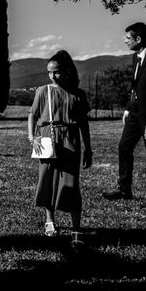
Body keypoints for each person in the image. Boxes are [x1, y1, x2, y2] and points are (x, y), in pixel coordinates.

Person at [28, 50, 92, 248]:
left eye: (56, 72)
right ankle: (50, 220)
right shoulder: (42, 91)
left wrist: (88, 148)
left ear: (66, 71)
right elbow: (32, 114)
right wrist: (32, 137)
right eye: (49, 72)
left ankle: (76, 228)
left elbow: (83, 123)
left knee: (71, 184)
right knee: (47, 179)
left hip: (70, 140)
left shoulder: (78, 94)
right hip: (47, 138)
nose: (52, 76)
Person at [103, 22, 146, 200]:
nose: (125, 41)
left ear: (138, 39)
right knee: (124, 147)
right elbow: (135, 87)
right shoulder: (136, 57)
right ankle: (124, 190)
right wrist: (127, 109)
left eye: (128, 38)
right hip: (134, 114)